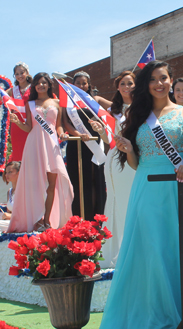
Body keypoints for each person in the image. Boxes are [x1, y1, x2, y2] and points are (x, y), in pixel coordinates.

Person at [95, 61, 183, 329]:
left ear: (171, 81)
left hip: (176, 190)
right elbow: (135, 163)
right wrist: (129, 149)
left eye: (164, 78)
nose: (159, 84)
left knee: (175, 252)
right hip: (146, 188)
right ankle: (157, 323)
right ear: (147, 84)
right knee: (151, 253)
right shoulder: (137, 115)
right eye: (153, 79)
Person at [7, 72, 73, 232]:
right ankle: (37, 219)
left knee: (52, 184)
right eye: (38, 83)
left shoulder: (57, 103)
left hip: (51, 144)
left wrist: (62, 133)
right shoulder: (31, 104)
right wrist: (18, 122)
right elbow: (29, 127)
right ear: (34, 86)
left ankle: (48, 220)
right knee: (35, 184)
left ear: (49, 85)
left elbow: (59, 125)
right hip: (34, 144)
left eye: (44, 83)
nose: (41, 85)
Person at [92, 71, 136, 268]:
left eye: (130, 83)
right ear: (118, 87)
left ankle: (133, 248)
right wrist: (100, 130)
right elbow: (108, 140)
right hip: (116, 162)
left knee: (132, 203)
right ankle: (115, 250)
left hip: (135, 160)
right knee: (117, 203)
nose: (127, 87)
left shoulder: (143, 108)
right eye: (123, 84)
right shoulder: (113, 111)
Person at [62, 72, 107, 220]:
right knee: (77, 181)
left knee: (94, 180)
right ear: (73, 84)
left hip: (93, 143)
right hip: (76, 143)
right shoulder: (67, 102)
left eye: (84, 83)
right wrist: (78, 134)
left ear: (89, 85)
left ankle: (95, 218)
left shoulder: (94, 99)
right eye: (78, 83)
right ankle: (79, 218)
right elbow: (65, 123)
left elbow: (111, 111)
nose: (81, 86)